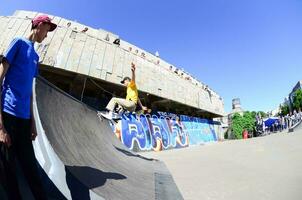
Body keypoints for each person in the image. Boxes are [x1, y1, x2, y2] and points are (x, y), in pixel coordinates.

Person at [0, 15, 57, 200]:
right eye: (47, 30)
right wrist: (1, 127)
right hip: (8, 113)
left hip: (24, 119)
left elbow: (31, 93)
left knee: (30, 166)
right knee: (8, 167)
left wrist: (33, 123)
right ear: (39, 25)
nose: (46, 36)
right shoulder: (18, 43)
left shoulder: (35, 56)